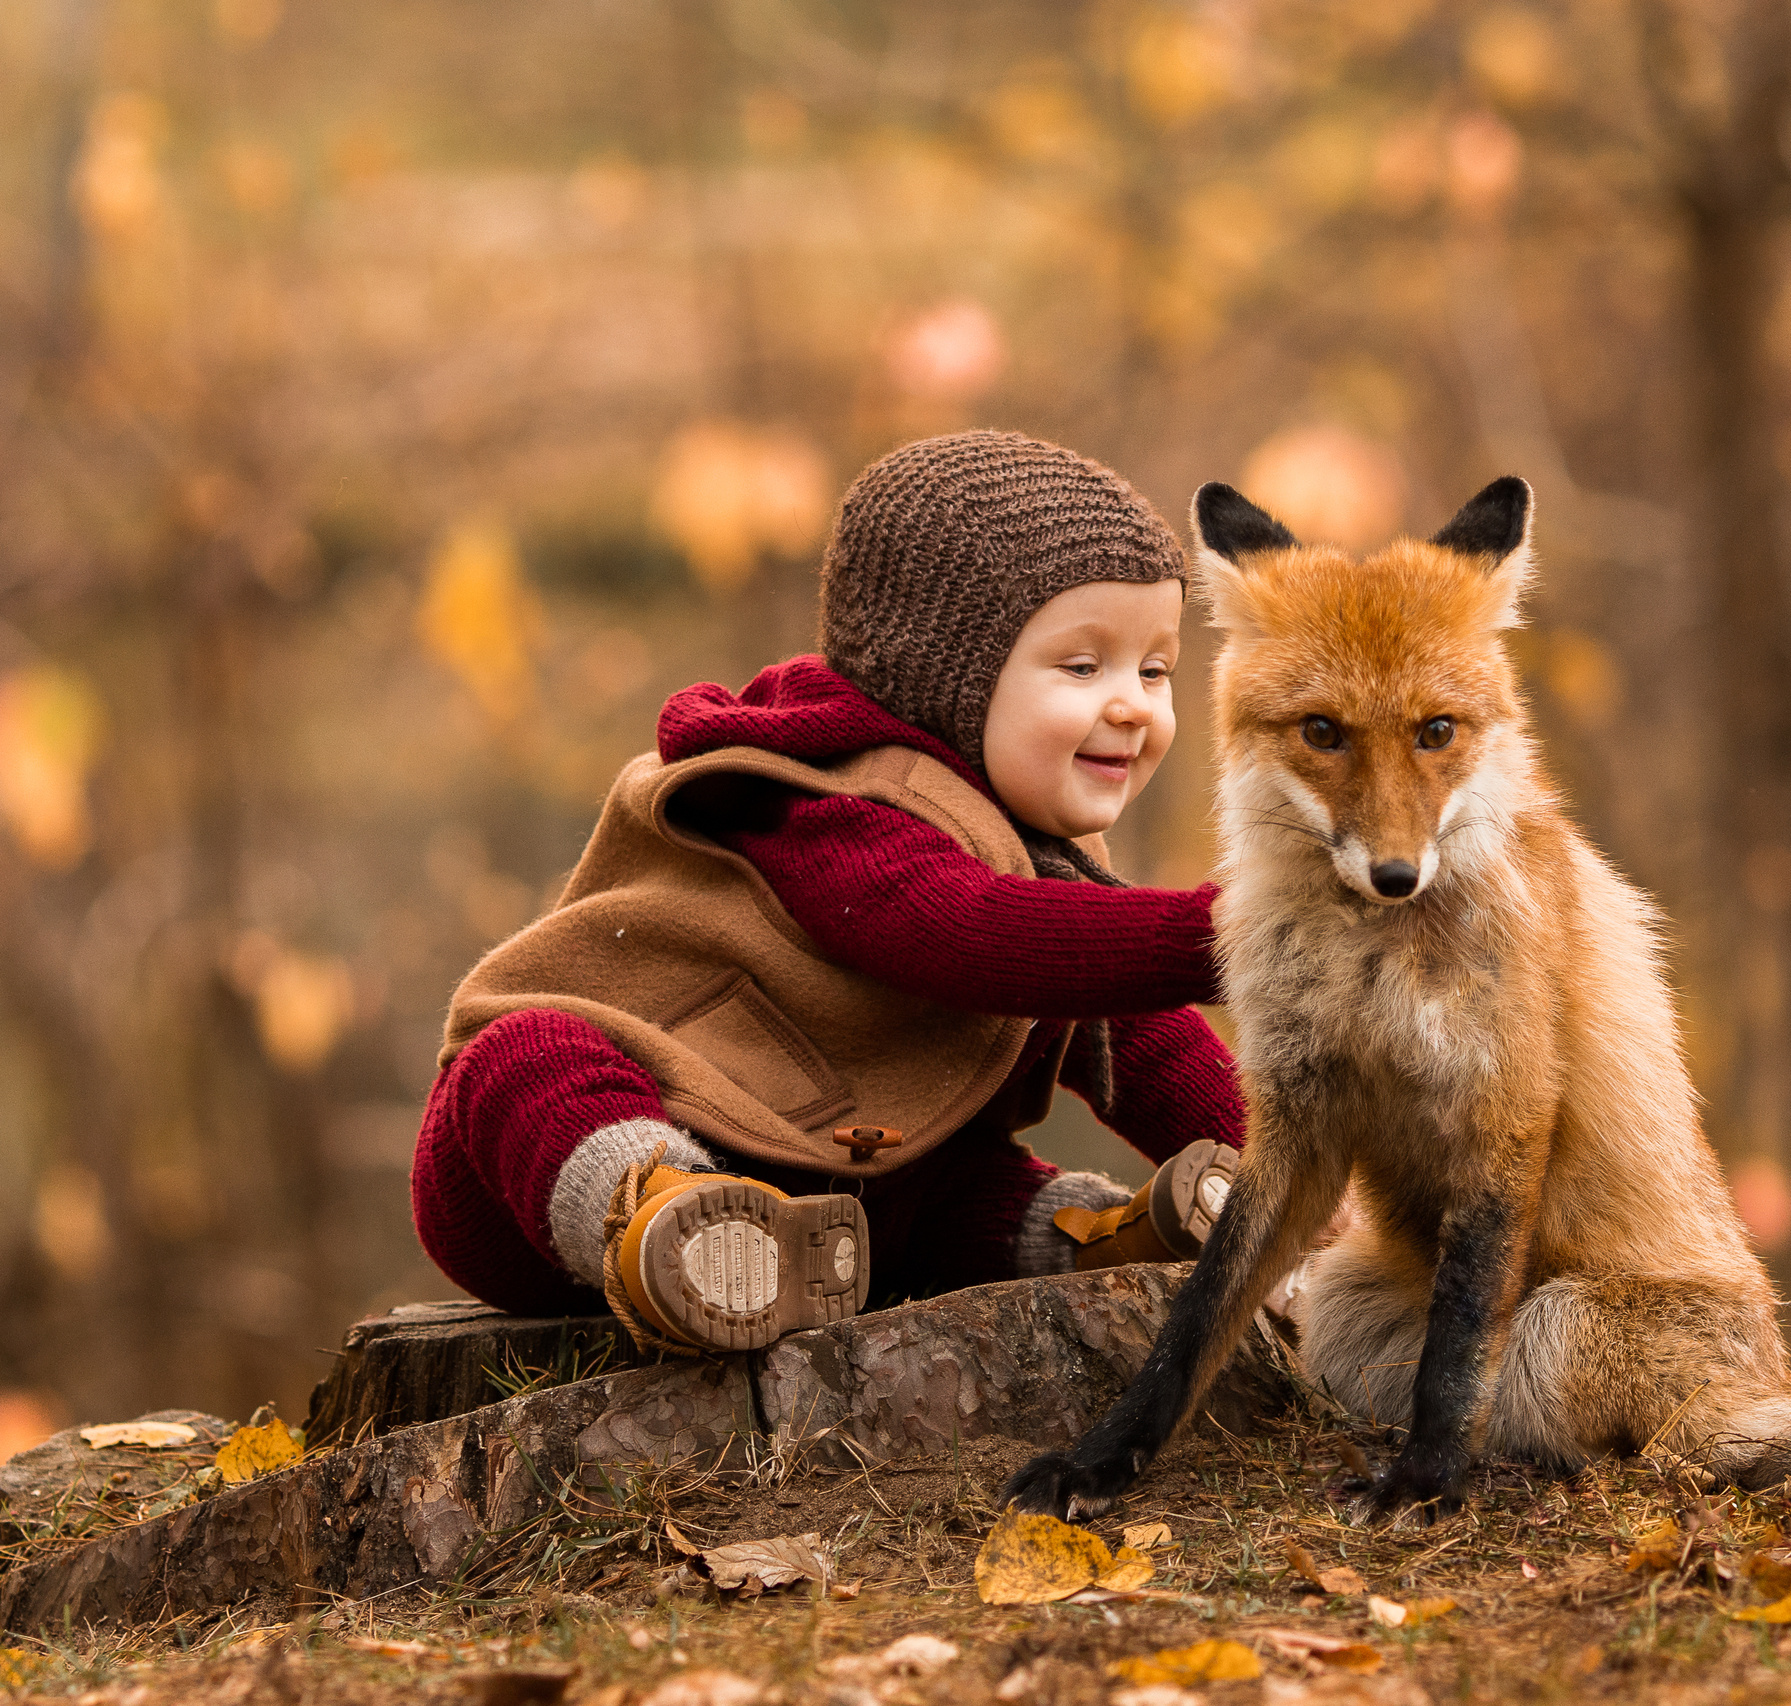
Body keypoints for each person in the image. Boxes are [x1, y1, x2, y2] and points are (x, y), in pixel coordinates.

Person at [409, 430, 1242, 1353]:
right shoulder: (835, 794)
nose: (1132, 703)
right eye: (1083, 667)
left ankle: (1104, 1239)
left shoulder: (1042, 857)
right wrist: (1249, 932)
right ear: (945, 673)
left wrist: (1310, 1183)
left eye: (1156, 669)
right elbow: (962, 932)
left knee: (953, 1189)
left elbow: (1148, 1040)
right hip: (546, 1172)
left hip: (824, 1200)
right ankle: (664, 1219)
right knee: (532, 1056)